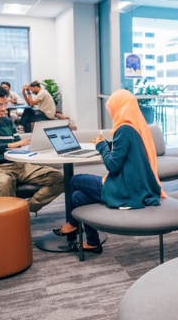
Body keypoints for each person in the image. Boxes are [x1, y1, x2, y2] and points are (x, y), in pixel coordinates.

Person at [52, 90, 165, 254]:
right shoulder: (134, 126)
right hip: (135, 186)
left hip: (125, 190)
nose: (111, 112)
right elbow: (124, 149)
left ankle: (72, 224)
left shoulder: (124, 129)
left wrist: (101, 146)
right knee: (78, 197)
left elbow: (112, 165)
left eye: (112, 108)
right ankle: (92, 242)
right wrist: (106, 143)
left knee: (75, 180)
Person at [0, 83, 63, 213]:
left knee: (61, 178)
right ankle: (10, 220)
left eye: (5, 104)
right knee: (4, 182)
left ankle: (23, 210)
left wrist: (32, 146)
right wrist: (9, 145)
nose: (3, 108)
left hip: (20, 165)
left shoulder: (7, 122)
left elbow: (18, 146)